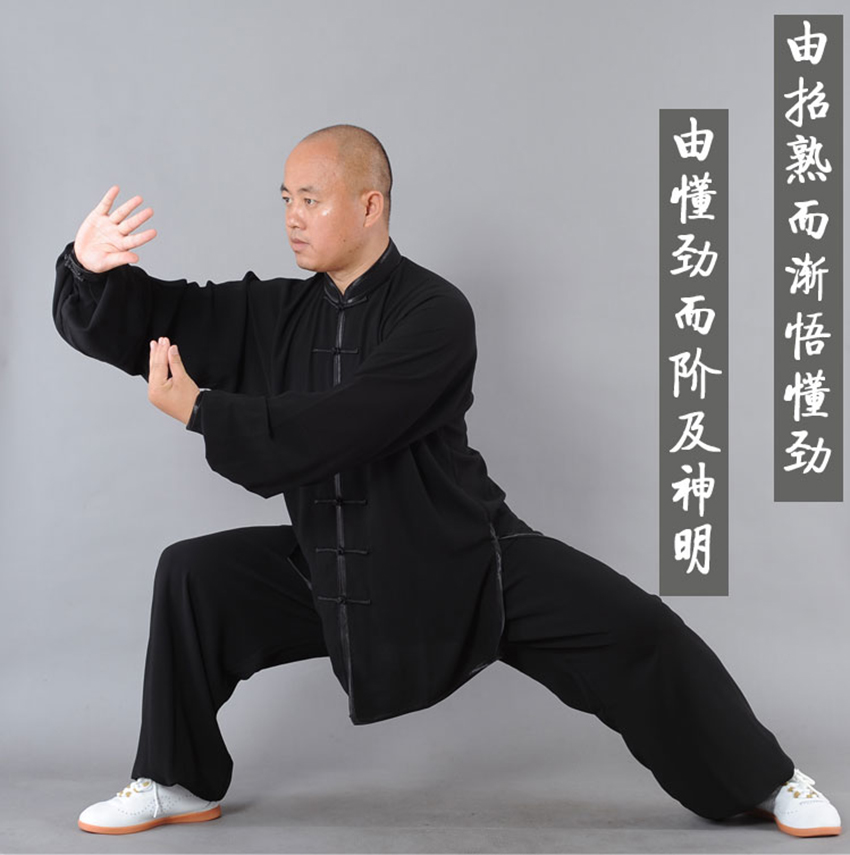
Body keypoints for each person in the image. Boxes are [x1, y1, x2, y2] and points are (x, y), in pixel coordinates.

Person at [53, 124, 841, 839]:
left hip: (459, 556)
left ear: (370, 205)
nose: (293, 216)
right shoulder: (276, 313)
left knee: (640, 632)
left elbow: (348, 424)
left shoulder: (435, 312)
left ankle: (767, 780)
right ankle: (177, 779)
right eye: (286, 199)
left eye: (311, 199)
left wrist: (204, 411)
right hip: (336, 563)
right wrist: (91, 271)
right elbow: (162, 317)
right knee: (195, 575)